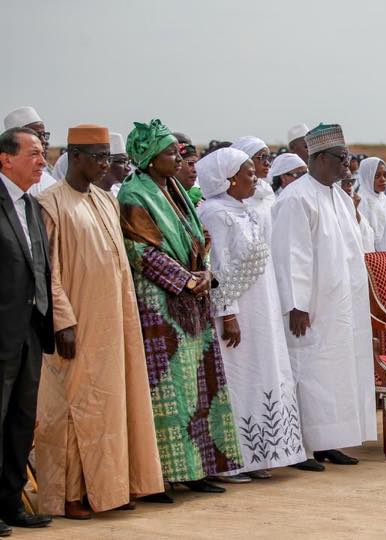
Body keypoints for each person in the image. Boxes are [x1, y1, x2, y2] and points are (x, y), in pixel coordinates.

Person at [34, 125, 164, 519]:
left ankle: (109, 487)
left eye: (107, 157)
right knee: (75, 406)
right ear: (75, 156)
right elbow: (47, 271)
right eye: (97, 157)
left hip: (115, 320)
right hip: (78, 322)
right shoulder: (49, 203)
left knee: (113, 404)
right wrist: (62, 321)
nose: (105, 164)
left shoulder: (106, 200)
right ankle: (70, 494)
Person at [117, 119, 243, 496]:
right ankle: (161, 476)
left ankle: (199, 468)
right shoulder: (134, 195)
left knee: (201, 385)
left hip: (192, 298)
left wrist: (204, 273)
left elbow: (198, 236)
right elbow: (141, 251)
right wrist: (189, 279)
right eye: (170, 152)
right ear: (151, 159)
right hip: (160, 304)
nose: (179, 157)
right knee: (168, 389)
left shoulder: (173, 188)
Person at [195, 148, 306, 482]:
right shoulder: (215, 213)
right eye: (247, 172)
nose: (254, 176)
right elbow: (217, 268)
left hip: (262, 310)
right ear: (228, 179)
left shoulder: (245, 211)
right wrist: (227, 314)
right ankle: (235, 460)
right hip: (236, 314)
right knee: (239, 378)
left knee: (262, 373)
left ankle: (261, 455)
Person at [271, 123, 376, 468]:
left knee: (337, 373)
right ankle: (302, 446)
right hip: (311, 308)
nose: (347, 165)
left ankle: (329, 441)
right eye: (341, 158)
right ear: (317, 158)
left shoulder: (340, 197)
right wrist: (296, 305)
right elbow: (291, 257)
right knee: (310, 372)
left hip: (341, 305)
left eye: (348, 157)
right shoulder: (296, 197)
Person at [0, 127, 55, 532]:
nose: (42, 160)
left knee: (21, 421)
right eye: (34, 153)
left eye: (44, 154)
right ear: (6, 158)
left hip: (29, 333)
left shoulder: (32, 206)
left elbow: (40, 269)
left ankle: (11, 503)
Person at [3, 107, 58, 196]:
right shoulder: (5, 182)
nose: (43, 141)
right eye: (36, 135)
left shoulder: (50, 183)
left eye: (44, 135)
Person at [231, 137, 275, 231]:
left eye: (268, 158)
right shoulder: (234, 192)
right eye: (262, 157)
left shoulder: (267, 189)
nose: (267, 163)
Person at [97, 132, 130, 196]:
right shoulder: (87, 194)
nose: (128, 168)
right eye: (122, 161)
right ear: (105, 163)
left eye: (128, 162)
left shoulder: (120, 194)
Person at [175, 142, 202, 206]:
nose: (195, 170)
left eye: (197, 164)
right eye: (190, 163)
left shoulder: (199, 200)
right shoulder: (164, 197)